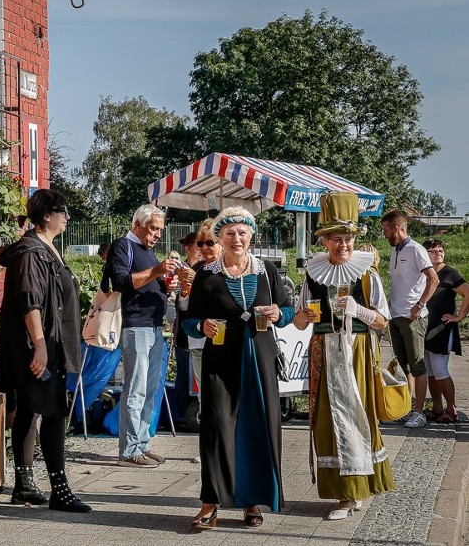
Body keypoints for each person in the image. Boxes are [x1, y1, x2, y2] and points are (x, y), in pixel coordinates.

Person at [183, 206, 294, 529]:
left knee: (258, 427)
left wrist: (278, 314)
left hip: (259, 358)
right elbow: (189, 321)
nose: (236, 238)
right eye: (229, 233)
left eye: (242, 233)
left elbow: (288, 310)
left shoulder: (266, 271)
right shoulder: (208, 274)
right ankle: (210, 503)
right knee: (216, 427)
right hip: (220, 360)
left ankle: (252, 502)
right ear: (220, 237)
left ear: (251, 237)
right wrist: (201, 326)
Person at [295, 192, 395, 520]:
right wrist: (305, 318)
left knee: (358, 419)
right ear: (326, 242)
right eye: (337, 239)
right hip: (325, 354)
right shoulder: (313, 275)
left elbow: (382, 320)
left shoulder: (368, 276)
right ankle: (344, 493)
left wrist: (359, 310)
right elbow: (298, 319)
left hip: (358, 355)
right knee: (330, 423)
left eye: (348, 238)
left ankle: (355, 492)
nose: (344, 245)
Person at [0, 189, 91, 513]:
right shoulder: (32, 252)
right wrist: (40, 347)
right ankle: (59, 489)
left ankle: (23, 485)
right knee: (52, 412)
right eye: (63, 211)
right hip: (40, 347)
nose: (67, 217)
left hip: (48, 345)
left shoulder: (45, 248)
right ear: (47, 215)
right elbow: (29, 300)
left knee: (30, 410)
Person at [106, 204, 180, 468]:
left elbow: (149, 282)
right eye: (153, 228)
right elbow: (122, 282)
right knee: (135, 390)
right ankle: (128, 450)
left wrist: (165, 283)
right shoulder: (122, 246)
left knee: (150, 390)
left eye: (161, 229)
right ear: (137, 224)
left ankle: (143, 443)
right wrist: (158, 271)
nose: (158, 234)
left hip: (154, 326)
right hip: (134, 325)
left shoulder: (148, 252)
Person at [381, 211, 439, 428]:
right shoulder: (396, 251)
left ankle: (420, 412)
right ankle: (407, 407)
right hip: (395, 315)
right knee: (403, 366)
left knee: (417, 365)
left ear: (396, 228)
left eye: (386, 230)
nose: (385, 234)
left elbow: (433, 279)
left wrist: (420, 304)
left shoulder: (416, 249)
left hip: (412, 317)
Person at [421, 238, 469, 423]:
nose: (439, 253)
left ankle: (452, 408)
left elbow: (467, 292)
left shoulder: (450, 273)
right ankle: (437, 407)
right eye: (434, 251)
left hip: (442, 328)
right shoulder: (424, 272)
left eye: (441, 250)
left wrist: (459, 317)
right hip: (425, 327)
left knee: (440, 370)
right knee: (430, 371)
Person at [173, 226, 212, 429]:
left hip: (223, 341)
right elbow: (184, 307)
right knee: (204, 393)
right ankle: (209, 445)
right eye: (200, 244)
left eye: (208, 243)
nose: (203, 248)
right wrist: (186, 292)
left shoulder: (228, 269)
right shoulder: (196, 270)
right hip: (197, 340)